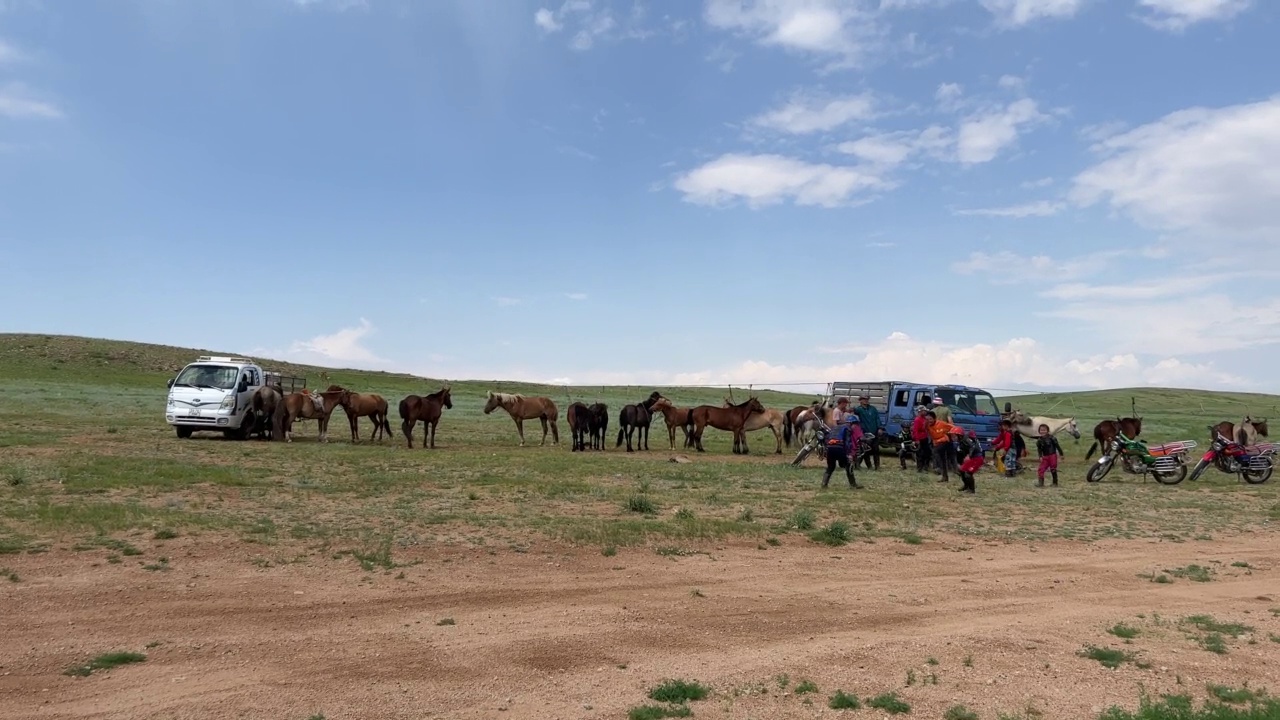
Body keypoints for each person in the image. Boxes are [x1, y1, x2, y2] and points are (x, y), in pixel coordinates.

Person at [820, 415, 863, 489]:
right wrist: (849, 454)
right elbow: (847, 442)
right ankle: (853, 485)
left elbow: (827, 437)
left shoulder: (835, 427)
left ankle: (824, 484)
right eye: (855, 424)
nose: (855, 427)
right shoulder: (847, 429)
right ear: (850, 423)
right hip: (839, 448)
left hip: (830, 448)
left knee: (830, 467)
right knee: (849, 466)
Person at [925, 411, 962, 483]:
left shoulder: (941, 423)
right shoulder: (926, 425)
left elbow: (953, 427)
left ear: (934, 418)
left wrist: (954, 435)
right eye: (927, 419)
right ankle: (945, 476)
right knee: (942, 460)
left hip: (946, 442)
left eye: (930, 419)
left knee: (951, 457)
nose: (929, 421)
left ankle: (958, 472)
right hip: (937, 443)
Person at [852, 395, 882, 470]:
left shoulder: (873, 409)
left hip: (874, 432)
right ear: (860, 400)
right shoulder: (859, 410)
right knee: (866, 450)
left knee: (876, 449)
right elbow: (853, 415)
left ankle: (877, 466)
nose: (866, 400)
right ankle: (869, 466)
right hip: (865, 433)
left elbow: (877, 418)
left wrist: (880, 428)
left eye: (867, 399)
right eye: (864, 399)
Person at [910, 405, 931, 474]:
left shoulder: (924, 419)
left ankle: (925, 466)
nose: (925, 412)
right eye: (924, 411)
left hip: (925, 437)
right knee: (920, 454)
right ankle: (920, 468)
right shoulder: (917, 419)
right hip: (919, 438)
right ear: (920, 411)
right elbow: (915, 430)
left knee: (927, 453)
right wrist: (917, 439)